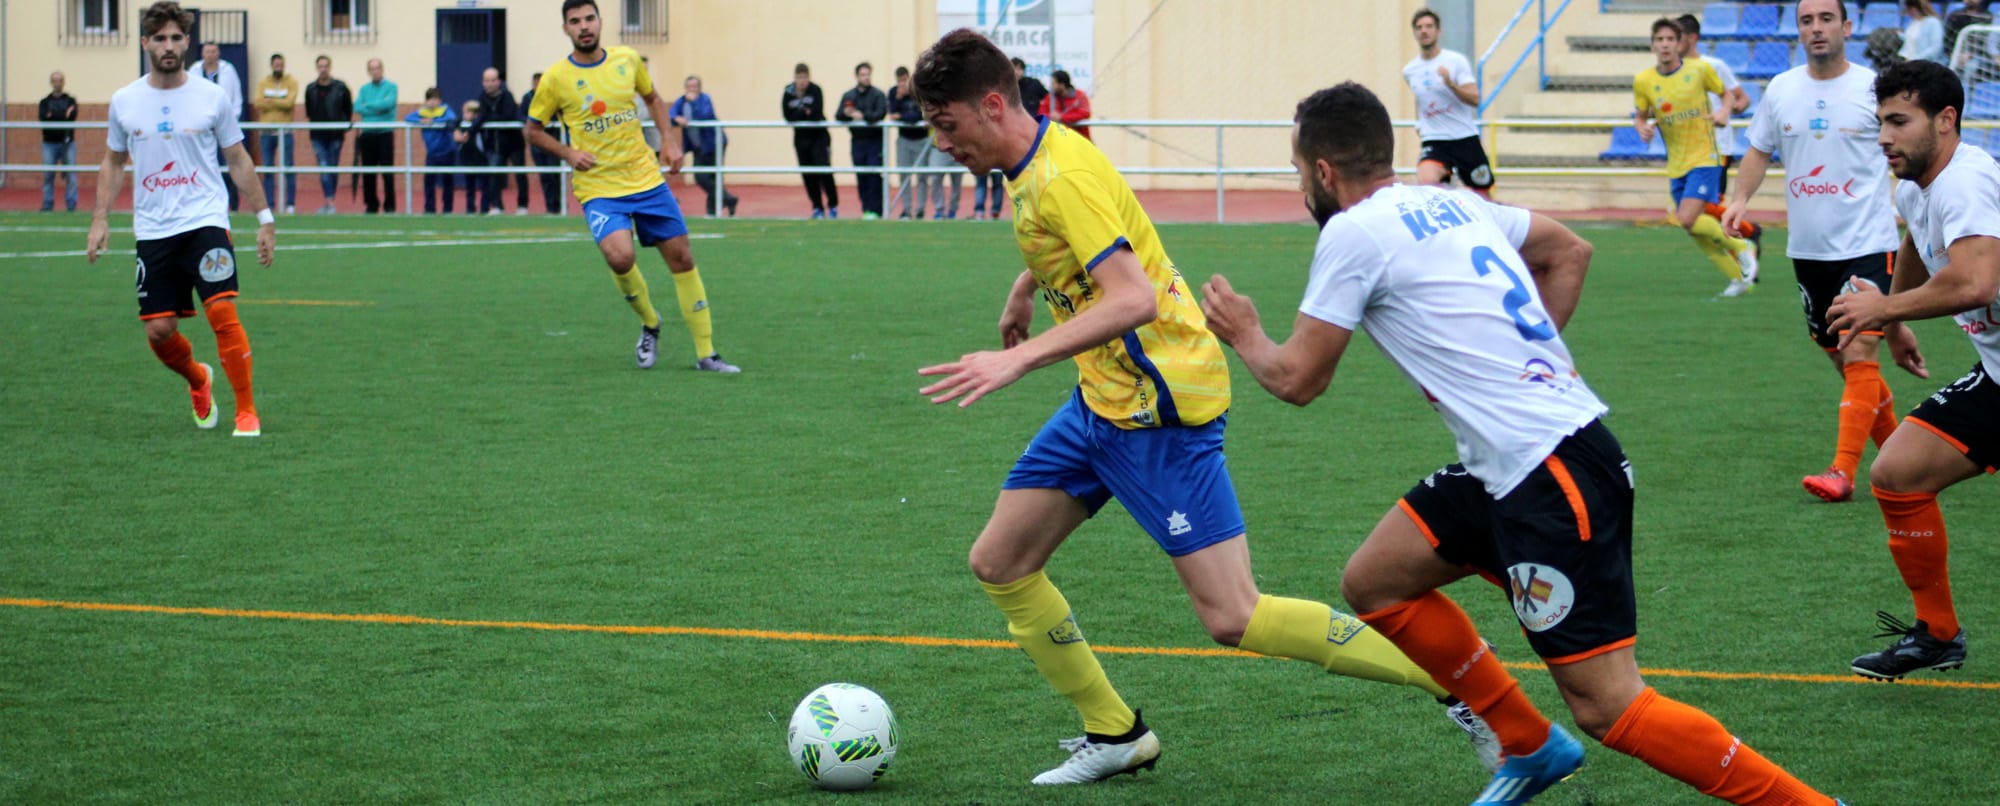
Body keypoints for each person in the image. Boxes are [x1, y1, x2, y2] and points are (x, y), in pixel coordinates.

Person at [1197, 79, 1839, 806]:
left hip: (1552, 478)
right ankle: (1529, 746)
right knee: (1376, 582)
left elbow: (1299, 380)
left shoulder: (1352, 230)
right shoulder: (1449, 201)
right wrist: (1527, 370)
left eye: (1295, 171)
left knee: (1609, 705)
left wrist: (1245, 332)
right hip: (1521, 462)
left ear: (1320, 171)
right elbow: (1571, 251)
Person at [909, 28, 1498, 787]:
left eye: (947, 125)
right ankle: (1114, 732)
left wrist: (1019, 357)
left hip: (1161, 403)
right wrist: (1026, 290)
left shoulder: (1060, 176)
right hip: (1105, 398)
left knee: (1235, 616)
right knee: (1001, 561)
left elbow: (1134, 294)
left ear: (992, 105)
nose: (940, 142)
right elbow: (1094, 236)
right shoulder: (1036, 157)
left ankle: (1467, 689)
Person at [1826, 59, 1999, 681]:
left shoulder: (1966, 182)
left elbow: (1978, 280)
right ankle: (1939, 634)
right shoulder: (1916, 185)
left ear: (1945, 120)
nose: (1883, 137)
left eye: (1899, 121)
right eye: (1880, 122)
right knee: (1898, 474)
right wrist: (1895, 323)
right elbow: (1916, 246)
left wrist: (1884, 305)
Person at [1721, 0, 1918, 504]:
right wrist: (1739, 199)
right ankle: (1900, 450)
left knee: (1859, 353)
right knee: (1844, 363)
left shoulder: (1875, 89)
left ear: (1847, 27)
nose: (1817, 29)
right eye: (1807, 20)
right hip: (1808, 250)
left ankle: (1843, 473)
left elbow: (1907, 148)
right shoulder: (1782, 90)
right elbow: (1759, 150)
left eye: (1826, 19)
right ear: (1798, 30)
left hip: (1867, 243)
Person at [87, 2, 276, 439]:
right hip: (153, 229)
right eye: (160, 39)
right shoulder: (125, 101)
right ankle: (198, 379)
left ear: (187, 43)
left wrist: (264, 219)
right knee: (159, 330)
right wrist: (100, 218)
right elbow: (113, 162)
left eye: (176, 38)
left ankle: (246, 412)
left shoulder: (212, 98)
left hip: (205, 219)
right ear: (145, 44)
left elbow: (237, 158)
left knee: (223, 311)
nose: (168, 46)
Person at [526, 0, 741, 373]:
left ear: (600, 21)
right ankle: (650, 322)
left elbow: (654, 99)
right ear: (566, 30)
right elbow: (532, 130)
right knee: (621, 257)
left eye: (589, 18)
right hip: (599, 187)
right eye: (575, 21)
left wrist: (670, 140)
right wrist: (568, 152)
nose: (584, 26)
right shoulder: (556, 78)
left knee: (682, 258)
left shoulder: (626, 60)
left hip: (645, 178)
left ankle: (707, 353)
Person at [1634, 18, 1759, 297]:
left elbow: (1728, 96)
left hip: (1706, 155)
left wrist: (1724, 113)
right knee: (1691, 226)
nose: (1665, 45)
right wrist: (1642, 127)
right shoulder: (1644, 80)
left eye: (1670, 39)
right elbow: (1641, 114)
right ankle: (1739, 280)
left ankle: (1743, 247)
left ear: (1679, 44)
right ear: (1653, 44)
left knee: (1688, 218)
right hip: (1676, 161)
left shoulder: (1700, 70)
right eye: (1660, 39)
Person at [1404, 8, 1495, 198]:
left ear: (1438, 31)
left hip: (1464, 137)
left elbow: (1475, 98)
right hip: (1434, 140)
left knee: (1485, 197)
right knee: (1426, 183)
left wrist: (1451, 84)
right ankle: (1446, 199)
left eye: (1429, 26)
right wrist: (1419, 122)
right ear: (1414, 33)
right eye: (1419, 27)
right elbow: (1420, 98)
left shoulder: (1455, 61)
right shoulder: (1410, 70)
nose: (1424, 31)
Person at [670, 75, 739, 217]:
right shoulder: (681, 101)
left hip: (714, 143)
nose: (692, 90)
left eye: (695, 87)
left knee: (713, 177)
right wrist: (676, 118)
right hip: (698, 146)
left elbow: (705, 115)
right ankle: (728, 199)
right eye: (689, 87)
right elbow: (671, 114)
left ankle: (712, 211)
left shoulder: (705, 99)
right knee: (701, 177)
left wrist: (693, 104)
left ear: (700, 88)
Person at [783, 63, 839, 218]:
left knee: (824, 171)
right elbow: (788, 116)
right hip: (801, 140)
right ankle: (817, 207)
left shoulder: (815, 90)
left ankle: (833, 205)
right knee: (808, 175)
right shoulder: (788, 92)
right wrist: (803, 113)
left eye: (804, 77)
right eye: (799, 77)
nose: (802, 81)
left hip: (819, 137)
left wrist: (800, 113)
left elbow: (815, 113)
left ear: (809, 77)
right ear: (794, 78)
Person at [302, 54, 352, 215]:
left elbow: (347, 108)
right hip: (317, 135)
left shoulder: (340, 87)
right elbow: (309, 111)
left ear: (330, 67)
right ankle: (329, 201)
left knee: (332, 167)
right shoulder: (310, 89)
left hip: (335, 135)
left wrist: (343, 126)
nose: (323, 69)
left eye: (326, 66)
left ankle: (330, 200)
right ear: (317, 68)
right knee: (323, 167)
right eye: (320, 66)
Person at [841, 62, 890, 220]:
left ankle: (877, 210)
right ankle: (866, 209)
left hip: (874, 142)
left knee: (874, 175)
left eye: (868, 74)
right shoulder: (849, 95)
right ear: (857, 76)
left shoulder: (878, 94)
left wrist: (863, 115)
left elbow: (880, 113)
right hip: (857, 142)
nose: (866, 77)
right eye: (863, 74)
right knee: (861, 176)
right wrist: (847, 114)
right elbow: (838, 115)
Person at [197, 43, 243, 211]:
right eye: (207, 51)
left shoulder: (228, 70)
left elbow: (236, 96)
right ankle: (206, 203)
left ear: (218, 53)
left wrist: (233, 119)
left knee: (230, 164)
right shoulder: (194, 70)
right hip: (201, 128)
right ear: (202, 53)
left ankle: (233, 203)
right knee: (204, 165)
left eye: (213, 51)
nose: (210, 54)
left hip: (223, 125)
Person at [254, 53, 301, 214]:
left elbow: (289, 103)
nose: (278, 68)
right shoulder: (263, 82)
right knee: (268, 168)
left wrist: (270, 100)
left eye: (281, 65)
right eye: (276, 65)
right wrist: (279, 101)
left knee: (288, 167)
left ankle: (290, 204)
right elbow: (258, 102)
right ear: (271, 65)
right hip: (266, 131)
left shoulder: (291, 82)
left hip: (285, 130)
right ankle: (270, 204)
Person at [481, 67, 530, 215]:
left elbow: (508, 115)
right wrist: (467, 131)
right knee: (495, 174)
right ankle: (496, 206)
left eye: (493, 80)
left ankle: (523, 206)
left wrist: (490, 117)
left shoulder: (507, 96)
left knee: (520, 174)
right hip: (497, 145)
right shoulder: (482, 97)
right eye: (487, 81)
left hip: (514, 143)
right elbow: (481, 117)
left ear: (499, 82)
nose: (490, 84)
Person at [354, 58, 398, 214]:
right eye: (372, 69)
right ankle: (371, 205)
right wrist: (376, 107)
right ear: (368, 71)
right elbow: (357, 107)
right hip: (367, 134)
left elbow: (388, 105)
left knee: (387, 172)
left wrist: (369, 105)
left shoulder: (392, 87)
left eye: (377, 68)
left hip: (385, 134)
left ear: (382, 69)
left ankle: (390, 206)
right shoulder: (364, 89)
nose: (375, 71)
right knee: (368, 172)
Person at [886, 66, 930, 219]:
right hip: (904, 139)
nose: (902, 84)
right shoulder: (893, 93)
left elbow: (919, 115)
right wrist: (898, 100)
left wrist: (903, 116)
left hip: (921, 139)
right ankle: (906, 209)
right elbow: (892, 113)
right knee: (904, 175)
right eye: (899, 81)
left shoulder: (918, 92)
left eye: (904, 80)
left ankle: (920, 209)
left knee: (922, 176)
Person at [406, 88, 459, 214]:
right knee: (429, 182)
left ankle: (448, 209)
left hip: (447, 152)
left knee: (447, 182)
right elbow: (408, 118)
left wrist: (434, 121)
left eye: (435, 99)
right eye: (429, 99)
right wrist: (421, 121)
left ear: (440, 100)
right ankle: (429, 208)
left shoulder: (445, 110)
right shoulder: (423, 112)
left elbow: (452, 119)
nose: (432, 102)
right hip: (431, 154)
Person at [523, 72, 564, 214]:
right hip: (537, 143)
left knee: (555, 174)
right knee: (544, 175)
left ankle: (559, 205)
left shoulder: (554, 97)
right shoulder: (527, 98)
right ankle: (550, 206)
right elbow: (522, 115)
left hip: (552, 141)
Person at [38, 71, 79, 213]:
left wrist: (54, 115)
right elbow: (44, 118)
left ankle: (72, 205)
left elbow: (72, 116)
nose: (57, 83)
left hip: (68, 143)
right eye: (55, 80)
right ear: (51, 82)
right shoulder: (44, 102)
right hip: (49, 143)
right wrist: (63, 114)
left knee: (71, 175)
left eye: (60, 80)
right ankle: (47, 204)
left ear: (63, 82)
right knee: (48, 175)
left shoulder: (70, 100)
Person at [454, 99, 490, 214]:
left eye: (467, 112)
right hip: (467, 159)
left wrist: (469, 132)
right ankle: (470, 209)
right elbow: (451, 123)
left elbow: (480, 122)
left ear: (475, 114)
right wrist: (455, 131)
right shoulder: (460, 123)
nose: (464, 115)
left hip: (480, 159)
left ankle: (484, 209)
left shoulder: (478, 125)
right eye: (463, 112)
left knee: (485, 185)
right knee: (470, 187)